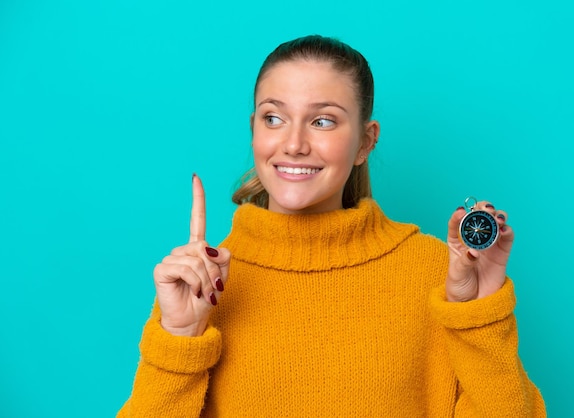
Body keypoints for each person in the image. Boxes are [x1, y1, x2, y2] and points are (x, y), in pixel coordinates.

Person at [118, 35, 546, 417]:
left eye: (323, 121)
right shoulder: (203, 285)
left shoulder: (437, 273)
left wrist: (478, 317)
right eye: (273, 118)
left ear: (365, 141)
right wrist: (179, 339)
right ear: (253, 131)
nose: (294, 144)